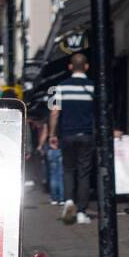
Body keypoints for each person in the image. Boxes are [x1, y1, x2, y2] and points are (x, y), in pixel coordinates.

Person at [47, 53, 96, 225]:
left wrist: (52, 134)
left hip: (66, 135)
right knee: (84, 173)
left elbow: (53, 112)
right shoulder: (93, 87)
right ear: (86, 67)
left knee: (68, 170)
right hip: (87, 135)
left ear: (70, 67)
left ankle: (68, 200)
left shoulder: (57, 87)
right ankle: (82, 212)